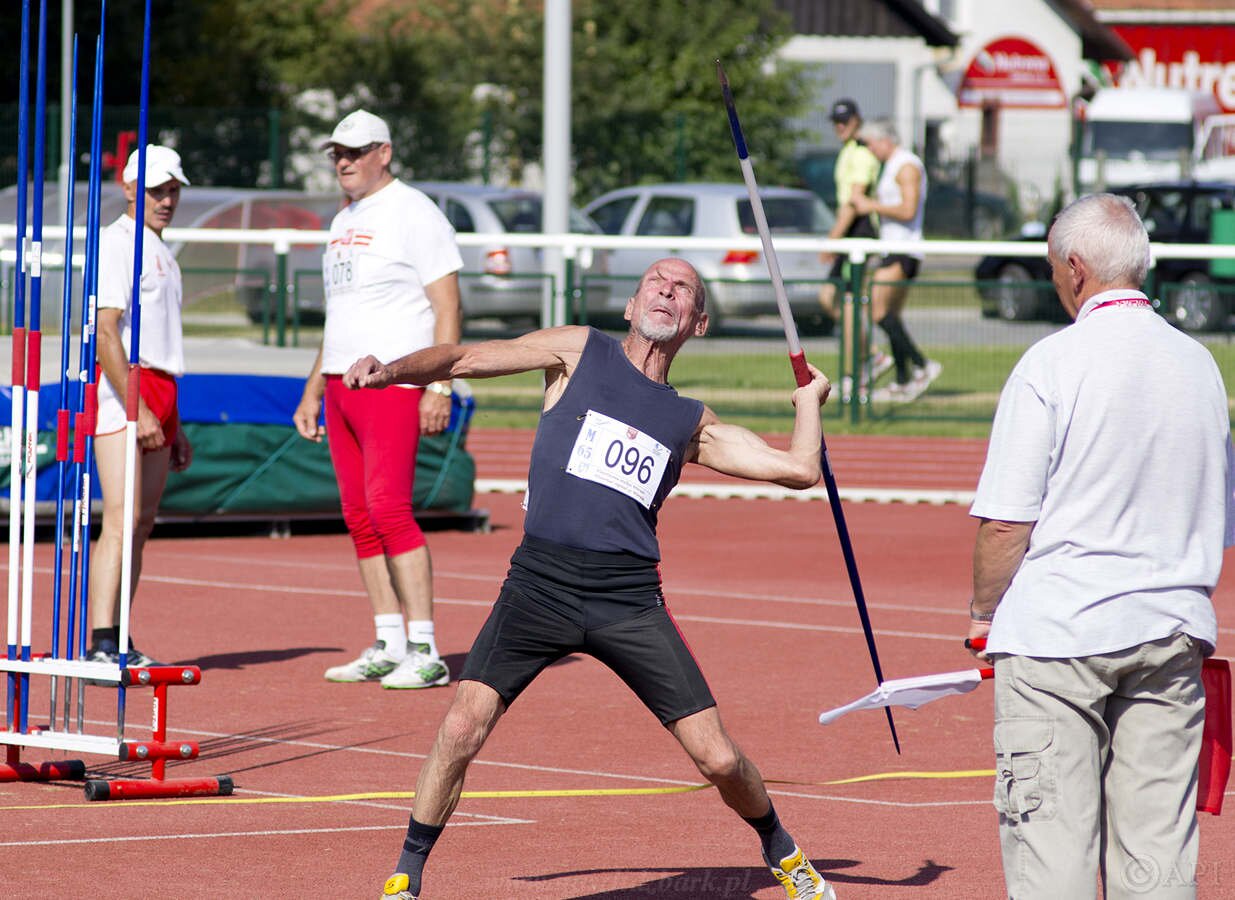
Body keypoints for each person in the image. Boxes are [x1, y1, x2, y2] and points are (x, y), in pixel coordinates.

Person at [346, 258, 838, 900]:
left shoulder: (690, 421)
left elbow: (800, 470)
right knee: (461, 727)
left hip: (626, 601)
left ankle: (781, 848)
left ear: (698, 323)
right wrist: (391, 371)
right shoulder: (579, 352)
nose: (667, 290)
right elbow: (465, 358)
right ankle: (406, 878)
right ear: (631, 306)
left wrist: (808, 403)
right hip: (538, 586)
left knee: (717, 757)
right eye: (656, 282)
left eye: (683, 289)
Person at [965, 193, 1234, 900]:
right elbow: (1217, 513)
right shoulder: (1199, 365)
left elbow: (1005, 522)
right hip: (1171, 631)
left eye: (1056, 268)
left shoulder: (1051, 362)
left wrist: (984, 612)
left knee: (1052, 852)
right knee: (1157, 854)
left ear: (1076, 268)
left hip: (1059, 635)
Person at [293, 109, 463, 690]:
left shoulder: (415, 211)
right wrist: (314, 387)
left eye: (355, 152)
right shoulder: (343, 219)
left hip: (393, 383)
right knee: (359, 517)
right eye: (336, 153)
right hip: (340, 386)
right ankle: (389, 642)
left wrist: (439, 385)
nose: (343, 162)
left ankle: (426, 649)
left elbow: (447, 306)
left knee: (389, 510)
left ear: (383, 152)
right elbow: (339, 315)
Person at [87, 145, 193, 668]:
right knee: (121, 518)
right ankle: (100, 640)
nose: (166, 200)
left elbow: (163, 338)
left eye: (173, 190)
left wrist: (176, 423)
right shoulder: (116, 243)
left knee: (144, 522)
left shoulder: (162, 250)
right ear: (130, 188)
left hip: (163, 388)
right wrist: (138, 407)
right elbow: (106, 333)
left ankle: (122, 635)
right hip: (126, 388)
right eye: (156, 190)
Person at [850, 120, 941, 403]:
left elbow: (908, 209)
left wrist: (870, 205)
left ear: (885, 140)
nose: (870, 150)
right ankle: (903, 378)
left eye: (871, 144)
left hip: (903, 250)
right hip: (893, 248)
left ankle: (922, 364)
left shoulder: (906, 165)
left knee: (877, 312)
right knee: (890, 316)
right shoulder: (891, 166)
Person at [815, 98, 890, 400]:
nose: (839, 126)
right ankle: (872, 355)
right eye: (836, 121)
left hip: (858, 232)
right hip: (848, 233)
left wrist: (833, 239)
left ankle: (855, 372)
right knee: (830, 299)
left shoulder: (861, 153)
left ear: (857, 120)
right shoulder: (848, 150)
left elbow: (853, 203)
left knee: (847, 304)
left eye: (844, 120)